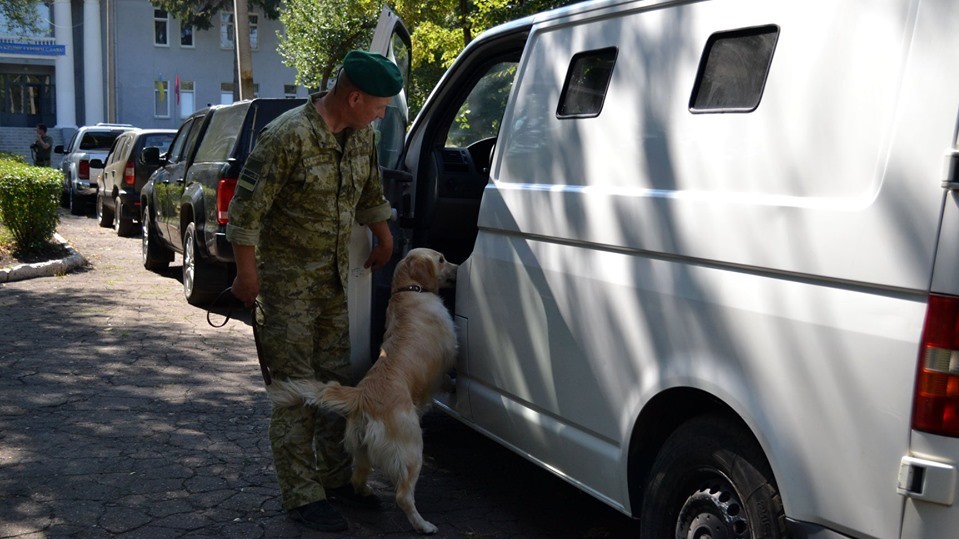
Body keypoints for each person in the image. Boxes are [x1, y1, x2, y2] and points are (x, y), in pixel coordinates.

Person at [225, 50, 402, 532]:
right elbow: (244, 215)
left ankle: (336, 480)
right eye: (379, 106)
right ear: (354, 97)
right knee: (295, 393)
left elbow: (371, 195)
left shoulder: (361, 136)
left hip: (333, 288)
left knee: (335, 388)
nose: (381, 115)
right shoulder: (287, 136)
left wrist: (384, 236)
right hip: (287, 293)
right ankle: (302, 495)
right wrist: (247, 277)